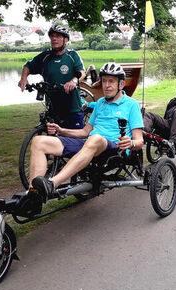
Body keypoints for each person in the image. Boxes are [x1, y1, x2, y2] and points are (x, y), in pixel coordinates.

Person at [29, 62, 144, 201]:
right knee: (39, 142)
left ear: (121, 84)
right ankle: (33, 194)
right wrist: (61, 131)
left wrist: (130, 142)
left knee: (94, 138)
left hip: (114, 149)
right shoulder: (100, 103)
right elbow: (84, 132)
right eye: (104, 81)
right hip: (90, 144)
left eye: (111, 81)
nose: (107, 85)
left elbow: (139, 141)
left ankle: (52, 183)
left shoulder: (132, 105)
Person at [18, 24, 86, 129]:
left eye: (58, 36)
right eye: (52, 36)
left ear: (66, 39)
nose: (54, 39)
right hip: (53, 109)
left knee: (76, 141)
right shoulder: (45, 57)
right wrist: (23, 78)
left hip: (72, 108)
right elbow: (27, 66)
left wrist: (73, 81)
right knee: (53, 142)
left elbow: (82, 72)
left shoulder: (72, 55)